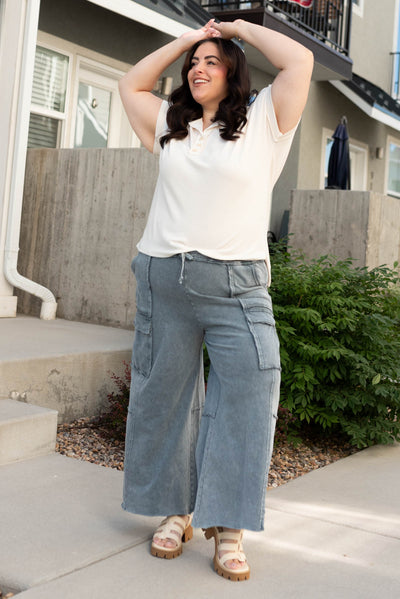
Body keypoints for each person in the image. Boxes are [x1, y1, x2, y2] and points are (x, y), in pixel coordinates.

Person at [119, 18, 313, 582]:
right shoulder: (170, 126)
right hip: (164, 276)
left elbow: (298, 61)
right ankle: (175, 512)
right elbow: (131, 84)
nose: (198, 69)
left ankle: (228, 524)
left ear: (234, 71)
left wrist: (237, 29)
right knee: (164, 399)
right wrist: (184, 39)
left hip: (238, 286)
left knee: (250, 392)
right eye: (193, 63)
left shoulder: (265, 121)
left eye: (211, 61)